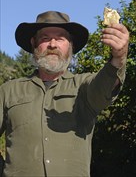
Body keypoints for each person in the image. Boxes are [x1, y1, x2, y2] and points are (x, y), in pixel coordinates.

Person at [0, 11, 129, 177]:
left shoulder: (83, 86)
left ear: (71, 46)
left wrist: (119, 58)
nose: (52, 44)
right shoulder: (8, 90)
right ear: (34, 43)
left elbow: (104, 88)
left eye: (60, 38)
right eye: (45, 38)